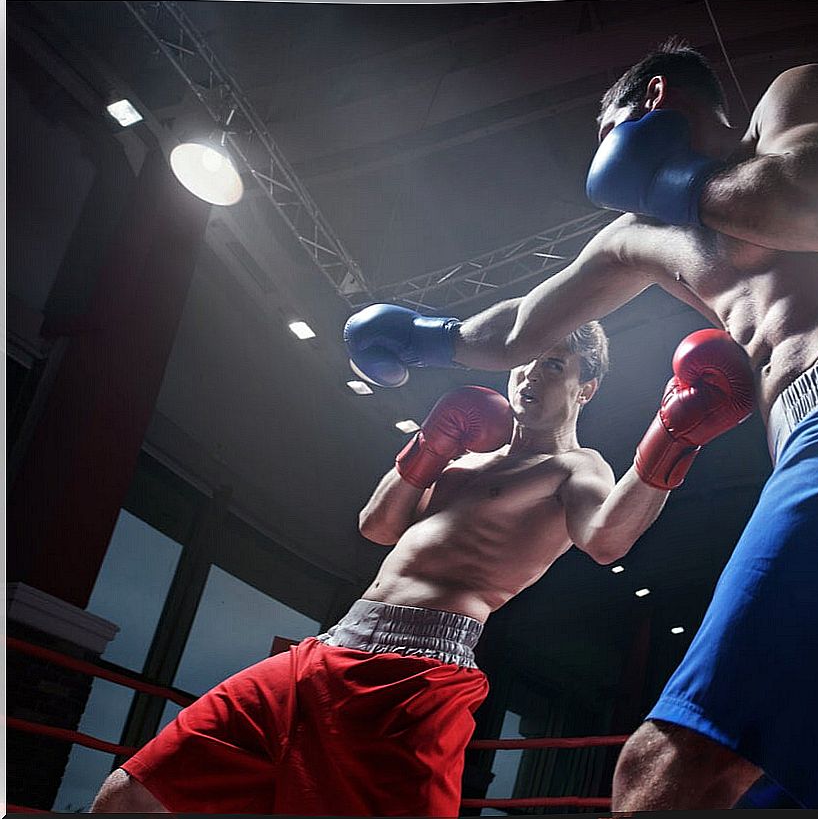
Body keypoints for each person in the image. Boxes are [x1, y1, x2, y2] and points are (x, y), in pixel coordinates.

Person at [341, 40, 818, 812]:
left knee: (661, 776)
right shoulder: (642, 236)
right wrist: (425, 337)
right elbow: (519, 327)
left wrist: (669, 176)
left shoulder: (799, 95)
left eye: (609, 133)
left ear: (649, 101)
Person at [90, 320, 754, 816]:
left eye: (553, 364)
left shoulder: (574, 467)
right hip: (322, 653)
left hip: (412, 676)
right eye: (523, 360)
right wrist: (431, 444)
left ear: (588, 384)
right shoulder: (462, 460)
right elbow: (378, 526)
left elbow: (607, 540)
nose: (529, 375)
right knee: (130, 796)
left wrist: (674, 437)